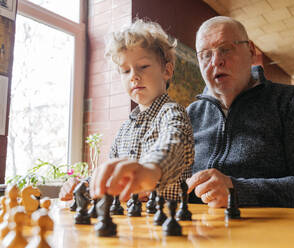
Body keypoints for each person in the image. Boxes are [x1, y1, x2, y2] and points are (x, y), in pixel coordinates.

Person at [186, 16, 294, 209]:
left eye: (225, 49)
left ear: (251, 51)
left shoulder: (290, 101)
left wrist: (239, 191)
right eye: (205, 54)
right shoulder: (189, 115)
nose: (216, 61)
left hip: (273, 233)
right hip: (201, 233)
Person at [60, 19, 194, 202]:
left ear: (167, 71)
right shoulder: (124, 130)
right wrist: (83, 186)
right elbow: (112, 175)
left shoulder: (172, 113)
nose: (134, 77)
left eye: (143, 66)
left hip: (167, 222)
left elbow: (174, 144)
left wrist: (150, 170)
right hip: (129, 223)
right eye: (125, 71)